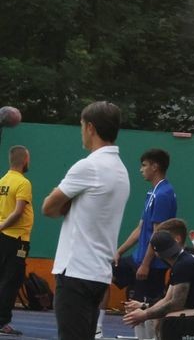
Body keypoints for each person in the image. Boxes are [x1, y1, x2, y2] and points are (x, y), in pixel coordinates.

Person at [42, 101, 131, 340]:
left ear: (90, 127)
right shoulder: (121, 170)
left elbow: (48, 207)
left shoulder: (88, 166)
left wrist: (64, 201)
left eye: (81, 126)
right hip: (99, 273)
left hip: (75, 272)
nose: (81, 132)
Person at [121, 230, 194, 338]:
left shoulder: (183, 265)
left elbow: (176, 303)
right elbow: (167, 299)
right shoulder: (181, 261)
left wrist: (145, 314)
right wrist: (144, 308)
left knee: (169, 321)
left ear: (157, 254)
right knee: (156, 317)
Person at [114, 148, 177, 305]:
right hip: (138, 258)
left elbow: (157, 234)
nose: (141, 169)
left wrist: (146, 264)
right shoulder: (153, 193)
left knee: (143, 308)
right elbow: (141, 228)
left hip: (152, 264)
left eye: (144, 165)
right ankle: (97, 325)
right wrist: (119, 252)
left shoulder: (163, 194)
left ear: (154, 167)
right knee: (104, 270)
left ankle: (149, 330)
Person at [0, 146, 32, 336]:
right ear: (25, 160)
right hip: (16, 238)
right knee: (11, 280)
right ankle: (3, 321)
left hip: (3, 239)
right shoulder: (23, 182)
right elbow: (18, 211)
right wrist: (3, 226)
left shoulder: (2, 181)